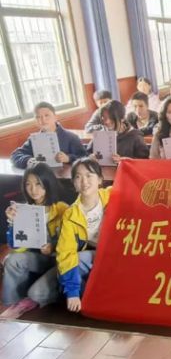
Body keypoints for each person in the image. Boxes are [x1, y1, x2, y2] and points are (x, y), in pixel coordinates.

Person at [1, 163, 68, 318]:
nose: (33, 189)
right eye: (28, 184)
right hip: (38, 259)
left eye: (38, 184)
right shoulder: (23, 210)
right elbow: (16, 246)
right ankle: (12, 304)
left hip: (58, 261)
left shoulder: (62, 209)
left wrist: (53, 247)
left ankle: (40, 296)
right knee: (11, 259)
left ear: (48, 184)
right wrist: (12, 223)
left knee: (36, 293)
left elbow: (72, 243)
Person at [56, 158, 112, 313]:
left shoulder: (112, 195)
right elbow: (66, 252)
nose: (84, 181)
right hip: (92, 254)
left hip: (115, 253)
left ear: (100, 179)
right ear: (74, 183)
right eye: (78, 177)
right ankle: (90, 297)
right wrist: (73, 292)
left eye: (89, 175)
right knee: (68, 270)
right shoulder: (70, 215)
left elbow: (135, 188)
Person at [11, 102, 86, 169]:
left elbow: (84, 157)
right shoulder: (34, 139)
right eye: (38, 117)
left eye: (47, 115)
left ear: (55, 117)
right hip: (42, 176)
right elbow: (15, 155)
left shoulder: (71, 137)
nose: (43, 120)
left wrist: (68, 158)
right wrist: (28, 160)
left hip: (65, 176)